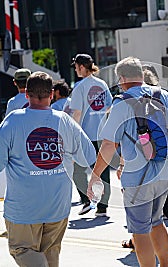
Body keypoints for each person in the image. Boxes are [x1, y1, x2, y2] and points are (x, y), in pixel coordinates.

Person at [0, 71, 96, 267]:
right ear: (51, 94)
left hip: (24, 208)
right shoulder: (64, 121)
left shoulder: (13, 121)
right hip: (58, 205)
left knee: (22, 249)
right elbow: (88, 156)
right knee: (50, 253)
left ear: (26, 95)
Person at [87, 56, 168, 267]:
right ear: (142, 75)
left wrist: (96, 175)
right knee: (156, 222)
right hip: (165, 173)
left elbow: (109, 146)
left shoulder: (121, 102)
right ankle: (164, 264)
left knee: (139, 231)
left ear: (122, 78)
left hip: (138, 178)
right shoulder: (165, 96)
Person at [120, 65, 168, 250]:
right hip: (166, 161)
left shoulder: (129, 103)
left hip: (140, 170)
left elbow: (124, 141)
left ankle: (137, 241)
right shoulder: (164, 99)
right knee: (165, 202)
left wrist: (121, 166)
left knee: (142, 214)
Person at [71, 54, 112, 216]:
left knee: (78, 169)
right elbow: (109, 107)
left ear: (81, 67)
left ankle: (86, 200)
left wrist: (74, 135)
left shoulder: (80, 87)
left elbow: (77, 114)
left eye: (76, 66)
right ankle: (103, 205)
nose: (75, 69)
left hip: (86, 135)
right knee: (103, 169)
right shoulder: (102, 84)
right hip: (102, 133)